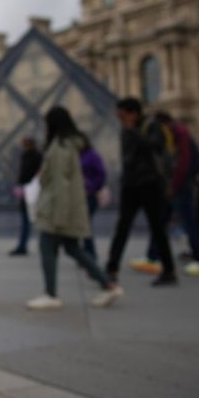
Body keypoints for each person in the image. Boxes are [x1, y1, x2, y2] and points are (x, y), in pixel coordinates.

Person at [26, 107, 123, 310]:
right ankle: (108, 285)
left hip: (57, 209)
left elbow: (61, 184)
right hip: (68, 206)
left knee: (47, 249)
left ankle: (51, 294)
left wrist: (59, 217)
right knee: (73, 249)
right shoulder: (70, 145)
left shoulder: (60, 147)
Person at [104, 97, 177, 286]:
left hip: (150, 184)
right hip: (130, 184)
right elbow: (127, 158)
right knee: (122, 228)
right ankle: (111, 268)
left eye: (122, 115)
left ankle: (169, 270)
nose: (120, 119)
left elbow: (154, 147)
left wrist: (132, 131)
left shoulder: (152, 127)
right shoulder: (126, 129)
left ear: (133, 113)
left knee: (157, 228)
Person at [131, 112, 199, 276]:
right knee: (160, 220)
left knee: (187, 221)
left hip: (179, 184)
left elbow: (183, 161)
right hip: (173, 183)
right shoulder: (173, 132)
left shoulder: (179, 133)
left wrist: (173, 185)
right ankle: (152, 256)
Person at [10, 137, 42, 256]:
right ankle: (23, 245)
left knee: (27, 220)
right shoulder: (33, 156)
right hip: (28, 191)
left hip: (29, 191)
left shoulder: (31, 156)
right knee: (28, 220)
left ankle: (23, 245)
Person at [79, 142, 107, 260]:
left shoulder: (91, 156)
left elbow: (101, 174)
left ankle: (89, 253)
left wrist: (91, 187)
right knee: (84, 225)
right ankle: (87, 251)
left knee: (86, 225)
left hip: (89, 195)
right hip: (81, 194)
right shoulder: (80, 155)